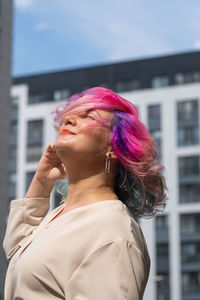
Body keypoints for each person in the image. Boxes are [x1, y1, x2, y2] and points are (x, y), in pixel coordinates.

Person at [3, 87, 167, 300]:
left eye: (88, 116)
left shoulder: (112, 231)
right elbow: (17, 253)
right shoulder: (62, 216)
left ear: (114, 148)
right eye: (70, 115)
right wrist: (41, 182)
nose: (69, 119)